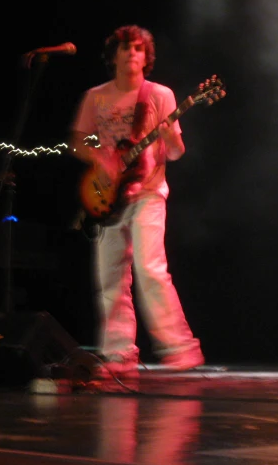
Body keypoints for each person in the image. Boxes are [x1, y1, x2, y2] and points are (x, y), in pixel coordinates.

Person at [67, 24, 205, 378]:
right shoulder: (96, 97)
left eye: (139, 49)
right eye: (126, 48)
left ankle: (180, 348)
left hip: (148, 193)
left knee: (150, 268)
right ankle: (117, 353)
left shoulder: (159, 95)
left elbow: (174, 153)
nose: (132, 53)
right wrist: (103, 157)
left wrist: (168, 137)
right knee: (109, 276)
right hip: (107, 196)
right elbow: (81, 141)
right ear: (113, 55)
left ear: (147, 58)